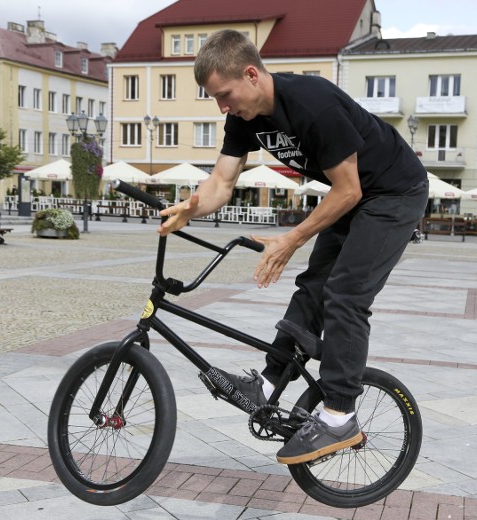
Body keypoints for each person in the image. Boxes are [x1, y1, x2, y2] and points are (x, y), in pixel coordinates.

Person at [158, 29, 428, 465]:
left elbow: (347, 190)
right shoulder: (243, 118)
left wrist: (291, 239)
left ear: (251, 74)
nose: (223, 107)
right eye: (215, 99)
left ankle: (340, 415)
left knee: (345, 294)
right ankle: (266, 384)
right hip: (356, 194)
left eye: (225, 94)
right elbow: (222, 182)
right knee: (313, 287)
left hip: (395, 193)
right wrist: (191, 208)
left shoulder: (311, 103)